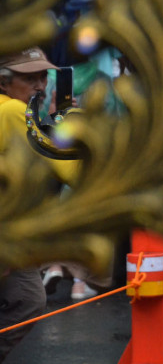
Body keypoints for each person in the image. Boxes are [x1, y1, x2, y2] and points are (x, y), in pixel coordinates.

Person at [0, 47, 67, 360]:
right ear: (4, 81)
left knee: (27, 299)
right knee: (28, 300)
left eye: (43, 75)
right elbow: (60, 167)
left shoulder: (19, 112)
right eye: (29, 77)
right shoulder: (11, 111)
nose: (40, 84)